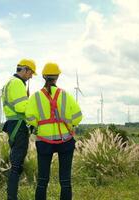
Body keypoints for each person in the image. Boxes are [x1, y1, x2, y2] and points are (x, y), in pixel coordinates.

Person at [25, 62, 83, 200]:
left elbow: (29, 118)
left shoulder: (36, 97)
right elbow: (78, 116)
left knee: (42, 180)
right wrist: (70, 124)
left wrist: (39, 125)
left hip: (44, 142)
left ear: (44, 77)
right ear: (57, 77)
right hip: (65, 141)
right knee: (65, 181)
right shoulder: (66, 96)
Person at [1, 59, 37, 200]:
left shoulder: (10, 82)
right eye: (31, 73)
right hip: (18, 125)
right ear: (25, 69)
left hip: (13, 124)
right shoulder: (17, 83)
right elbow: (21, 107)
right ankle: (12, 197)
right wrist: (34, 106)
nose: (31, 77)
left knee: (16, 163)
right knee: (16, 165)